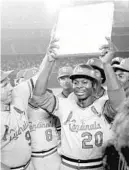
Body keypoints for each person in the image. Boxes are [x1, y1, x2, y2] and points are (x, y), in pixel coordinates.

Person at [29, 37, 125, 170]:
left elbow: (120, 103)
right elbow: (38, 96)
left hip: (96, 166)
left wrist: (107, 65)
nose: (79, 86)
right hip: (68, 165)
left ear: (94, 85)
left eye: (85, 82)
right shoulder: (64, 105)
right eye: (76, 82)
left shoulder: (103, 106)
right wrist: (50, 62)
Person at [0, 38, 58, 170]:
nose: (10, 88)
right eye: (3, 85)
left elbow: (38, 77)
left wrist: (48, 58)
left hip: (30, 165)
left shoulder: (17, 93)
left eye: (8, 82)